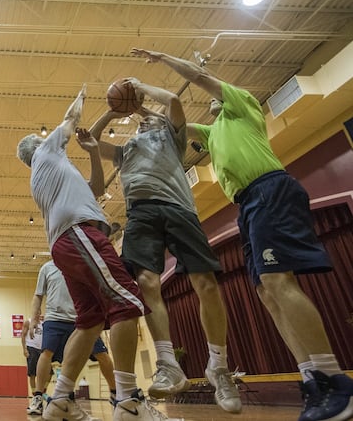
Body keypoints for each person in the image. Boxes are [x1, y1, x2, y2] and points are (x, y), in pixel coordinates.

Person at [131, 47, 353, 421]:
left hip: (269, 188)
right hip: (247, 204)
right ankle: (312, 379)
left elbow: (198, 80)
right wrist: (134, 105)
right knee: (267, 293)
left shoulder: (242, 105)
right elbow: (166, 120)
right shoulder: (212, 132)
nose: (213, 102)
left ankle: (335, 379)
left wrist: (161, 61)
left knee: (279, 281)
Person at [17, 84, 174, 421]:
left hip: (68, 242)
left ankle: (59, 400)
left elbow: (98, 190)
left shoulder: (56, 173)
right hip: (79, 234)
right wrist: (82, 95)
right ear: (39, 146)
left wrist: (91, 151)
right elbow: (71, 118)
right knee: (128, 302)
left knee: (88, 323)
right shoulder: (47, 154)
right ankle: (129, 400)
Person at [88, 77, 241, 414]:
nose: (144, 120)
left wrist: (141, 94)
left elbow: (172, 100)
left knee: (205, 283)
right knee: (146, 282)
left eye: (149, 118)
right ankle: (169, 363)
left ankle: (219, 366)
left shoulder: (172, 135)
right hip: (140, 214)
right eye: (142, 118)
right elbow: (91, 141)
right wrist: (114, 113)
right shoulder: (126, 150)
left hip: (179, 209)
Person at [27, 260, 117, 417]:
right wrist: (34, 318)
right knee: (46, 353)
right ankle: (38, 397)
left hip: (82, 319)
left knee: (102, 355)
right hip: (55, 319)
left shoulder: (81, 263)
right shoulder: (47, 268)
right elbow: (38, 295)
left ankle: (116, 395)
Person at [21, 314, 43, 406]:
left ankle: (42, 391)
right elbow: (23, 335)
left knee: (46, 372)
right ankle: (34, 394)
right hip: (31, 347)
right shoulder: (28, 321)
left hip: (41, 349)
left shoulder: (43, 324)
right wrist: (24, 349)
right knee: (32, 373)